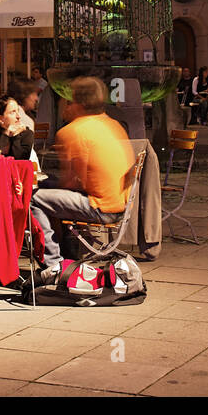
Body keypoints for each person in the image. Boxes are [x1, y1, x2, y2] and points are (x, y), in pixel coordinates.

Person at [30, 77, 133, 280]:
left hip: (99, 207)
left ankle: (53, 263)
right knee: (47, 188)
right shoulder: (113, 124)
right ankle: (67, 249)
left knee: (33, 196)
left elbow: (70, 182)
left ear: (75, 103)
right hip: (122, 204)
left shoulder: (73, 131)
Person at [0, 96, 35, 161]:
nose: (18, 116)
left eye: (17, 111)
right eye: (12, 112)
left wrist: (16, 137)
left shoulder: (26, 134)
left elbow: (21, 161)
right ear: (0, 118)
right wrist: (6, 134)